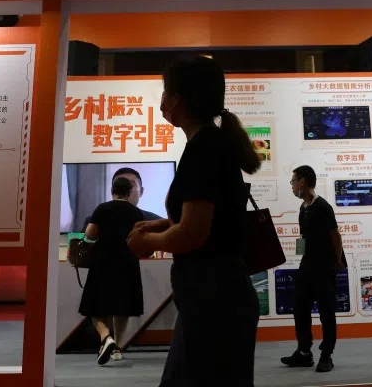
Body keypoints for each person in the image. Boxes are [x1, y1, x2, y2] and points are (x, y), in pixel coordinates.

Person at [127, 56, 261, 387]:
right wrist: (161, 227)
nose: (162, 100)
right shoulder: (211, 145)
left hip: (212, 297)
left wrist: (148, 243)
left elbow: (192, 235)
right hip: (216, 295)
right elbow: (206, 220)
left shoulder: (204, 149)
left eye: (165, 91)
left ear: (178, 99)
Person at [281, 165, 344, 374]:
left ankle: (327, 355)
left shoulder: (323, 207)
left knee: (326, 312)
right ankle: (304, 353)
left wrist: (336, 261)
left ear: (303, 181)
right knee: (300, 307)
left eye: (293, 181)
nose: (292, 186)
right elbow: (304, 238)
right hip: (307, 266)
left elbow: (335, 236)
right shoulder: (303, 208)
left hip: (324, 267)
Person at [79, 176, 145, 365]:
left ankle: (106, 336)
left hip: (103, 262)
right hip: (128, 263)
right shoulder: (136, 213)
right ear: (130, 192)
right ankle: (117, 348)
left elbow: (90, 234)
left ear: (112, 190)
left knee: (94, 306)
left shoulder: (102, 209)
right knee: (123, 307)